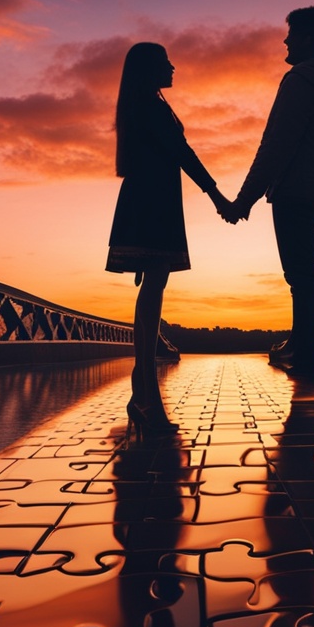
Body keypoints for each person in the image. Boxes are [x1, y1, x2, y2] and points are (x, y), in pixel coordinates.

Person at [106, 42, 233, 435]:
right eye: (166, 63)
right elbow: (182, 152)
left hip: (149, 200)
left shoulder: (145, 103)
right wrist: (216, 196)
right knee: (153, 290)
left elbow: (177, 152)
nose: (174, 67)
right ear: (150, 69)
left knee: (153, 290)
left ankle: (142, 387)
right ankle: (144, 389)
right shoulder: (150, 106)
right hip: (152, 204)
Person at [224, 7, 314, 376]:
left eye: (291, 33)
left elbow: (277, 144)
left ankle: (304, 350)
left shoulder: (299, 81)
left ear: (308, 38)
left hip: (295, 188)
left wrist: (244, 199)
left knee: (301, 272)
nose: (285, 39)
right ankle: (301, 344)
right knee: (304, 270)